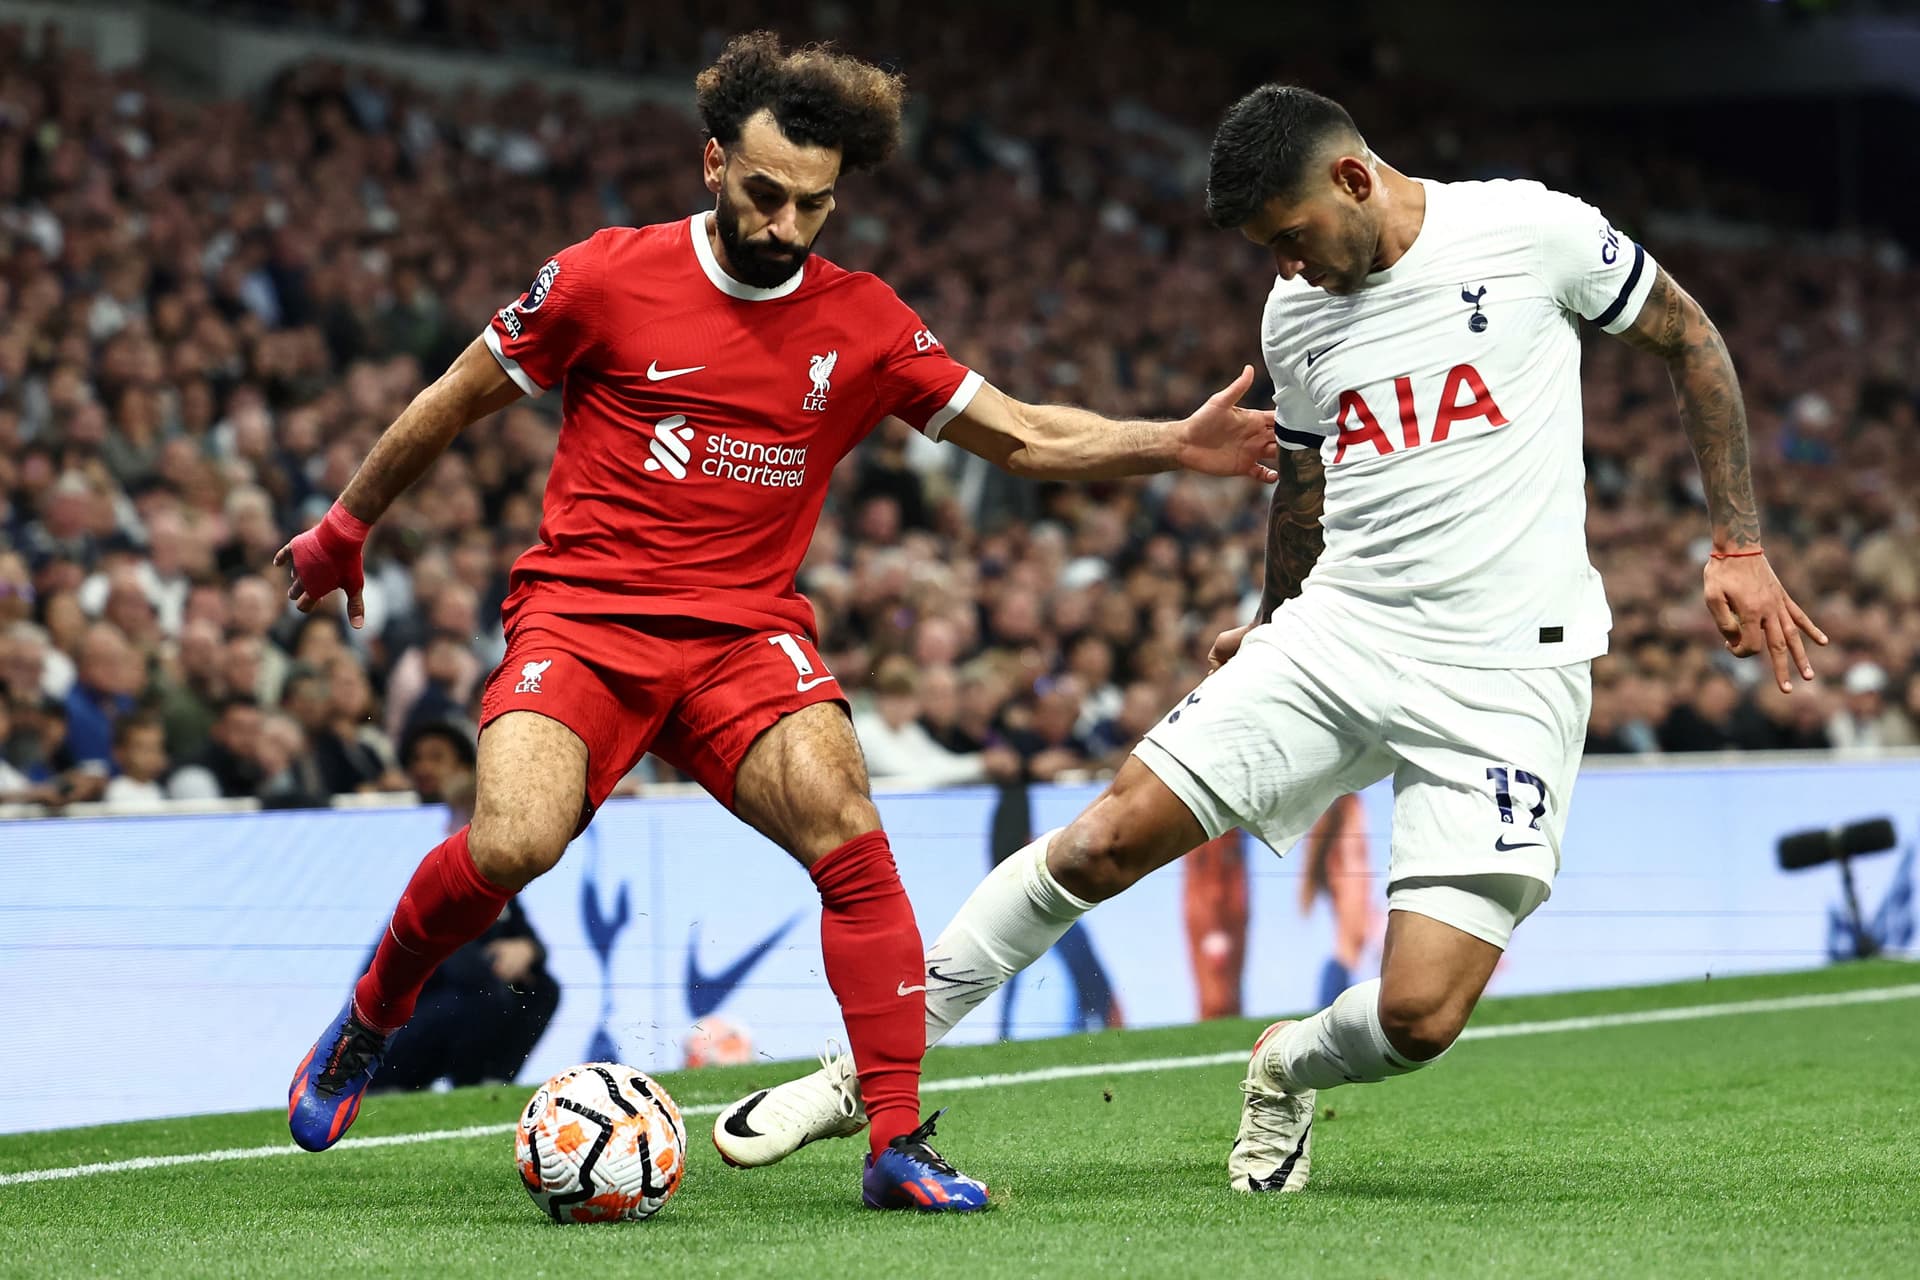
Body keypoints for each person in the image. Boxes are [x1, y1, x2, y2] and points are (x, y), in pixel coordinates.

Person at [710, 83, 1827, 1195]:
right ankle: (863, 1071)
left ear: (1353, 177)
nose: (1288, 266)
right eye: (1268, 251)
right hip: (1340, 633)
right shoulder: (1295, 312)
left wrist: (1737, 543)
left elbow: (1691, 339)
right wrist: (1271, 621)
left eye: (1293, 237)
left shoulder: (1535, 232)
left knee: (1421, 1016)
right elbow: (1304, 488)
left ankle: (1285, 1065)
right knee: (1102, 840)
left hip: (1508, 671)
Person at [278, 32, 1276, 1213]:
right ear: (712, 162)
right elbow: (456, 395)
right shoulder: (604, 276)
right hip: (584, 620)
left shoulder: (863, 319)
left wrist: (1176, 443)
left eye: (814, 203)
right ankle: (369, 1017)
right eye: (765, 193)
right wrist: (347, 524)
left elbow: (1021, 434)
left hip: (743, 639)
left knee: (852, 835)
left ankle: (895, 1141)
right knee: (512, 845)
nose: (787, 223)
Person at [369, 777, 560, 1093]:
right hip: (394, 1031)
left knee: (544, 989)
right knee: (482, 995)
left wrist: (527, 950)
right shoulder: (443, 884)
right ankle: (468, 1083)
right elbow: (460, 969)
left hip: (443, 1009)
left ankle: (493, 1080)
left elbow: (535, 944)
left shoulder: (497, 886)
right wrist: (502, 959)